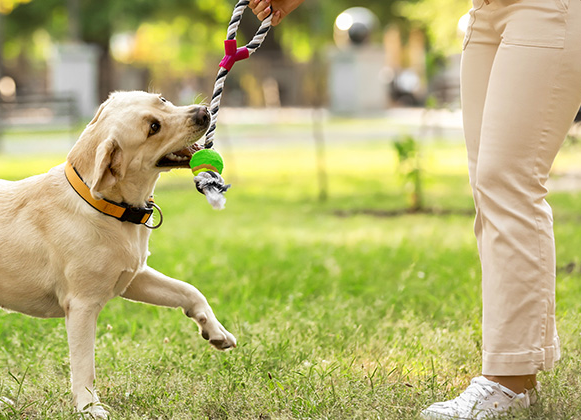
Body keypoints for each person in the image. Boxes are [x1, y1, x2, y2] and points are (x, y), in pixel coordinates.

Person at [248, 0, 581, 418]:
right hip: (486, 12)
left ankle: (507, 381)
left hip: (547, 8)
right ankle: (519, 372)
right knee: (490, 190)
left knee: (508, 182)